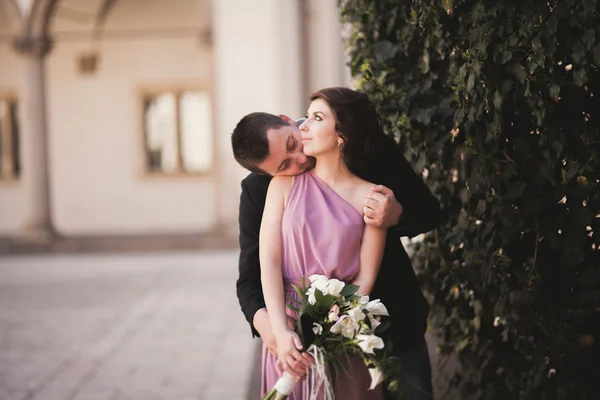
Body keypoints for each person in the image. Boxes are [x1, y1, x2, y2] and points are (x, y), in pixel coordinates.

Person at [233, 87, 440, 399]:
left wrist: (395, 215)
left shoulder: (361, 140)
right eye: (283, 164)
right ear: (267, 173)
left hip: (389, 316)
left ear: (289, 120)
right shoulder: (268, 187)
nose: (300, 158)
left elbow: (428, 211)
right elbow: (254, 275)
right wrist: (277, 331)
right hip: (296, 332)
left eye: (292, 144)